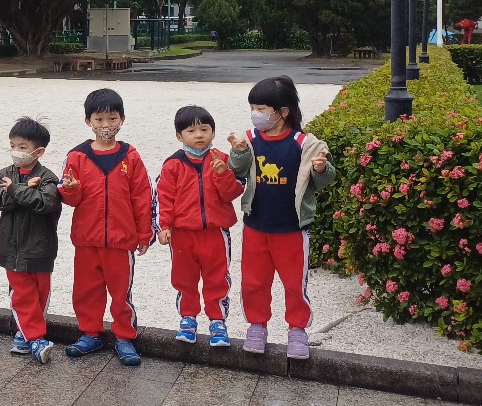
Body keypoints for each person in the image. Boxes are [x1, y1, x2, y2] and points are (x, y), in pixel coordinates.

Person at [228, 76, 335, 360]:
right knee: (254, 281)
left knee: (294, 282)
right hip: (256, 225)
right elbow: (237, 171)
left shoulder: (305, 143)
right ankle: (257, 326)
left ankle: (297, 330)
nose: (256, 114)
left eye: (262, 109)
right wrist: (238, 153)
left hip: (292, 228)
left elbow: (323, 181)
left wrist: (321, 169)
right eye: (253, 108)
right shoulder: (250, 139)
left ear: (283, 112)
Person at [59, 88, 153, 366]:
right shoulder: (76, 156)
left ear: (122, 119)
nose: (106, 125)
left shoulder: (130, 156)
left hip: (121, 240)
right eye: (99, 119)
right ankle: (91, 333)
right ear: (88, 121)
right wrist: (70, 189)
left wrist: (144, 232)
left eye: (112, 118)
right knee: (86, 289)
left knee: (121, 292)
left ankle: (125, 337)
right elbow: (70, 198)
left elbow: (142, 196)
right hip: (86, 238)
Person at [154, 106, 243, 348]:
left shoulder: (221, 159)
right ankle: (188, 318)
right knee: (184, 277)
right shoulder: (173, 164)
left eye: (205, 129)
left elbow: (233, 192)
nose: (199, 135)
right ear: (179, 136)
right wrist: (163, 226)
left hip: (216, 231)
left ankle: (217, 321)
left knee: (218, 277)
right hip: (182, 234)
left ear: (213, 132)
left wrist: (223, 174)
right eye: (191, 131)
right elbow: (164, 197)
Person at [0, 117, 62, 365]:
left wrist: (15, 189)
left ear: (38, 151)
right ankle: (35, 337)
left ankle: (26, 333)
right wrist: (24, 190)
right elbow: (1, 201)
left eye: (22, 147)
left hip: (41, 247)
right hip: (11, 247)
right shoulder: (2, 174)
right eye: (13, 145)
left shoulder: (48, 178)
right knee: (21, 293)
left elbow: (45, 203)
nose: (16, 151)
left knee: (40, 294)